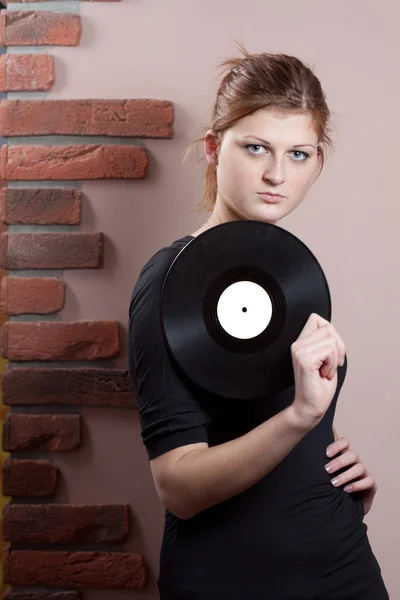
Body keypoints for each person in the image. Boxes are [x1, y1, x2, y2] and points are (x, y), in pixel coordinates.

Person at [128, 47, 389, 600]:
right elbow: (177, 486)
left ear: (317, 163)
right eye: (256, 148)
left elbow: (266, 404)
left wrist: (330, 463)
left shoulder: (292, 273)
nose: (277, 174)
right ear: (213, 148)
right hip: (233, 581)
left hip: (343, 570)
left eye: (298, 154)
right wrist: (299, 419)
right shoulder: (166, 283)